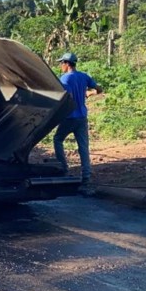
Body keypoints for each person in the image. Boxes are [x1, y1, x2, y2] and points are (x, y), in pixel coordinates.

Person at [53, 52, 101, 196]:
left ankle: (63, 168)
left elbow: (68, 98)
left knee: (57, 139)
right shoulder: (83, 76)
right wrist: (88, 94)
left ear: (67, 64)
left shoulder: (65, 79)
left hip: (70, 117)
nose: (61, 65)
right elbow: (99, 89)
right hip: (82, 116)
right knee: (83, 147)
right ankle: (86, 177)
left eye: (62, 63)